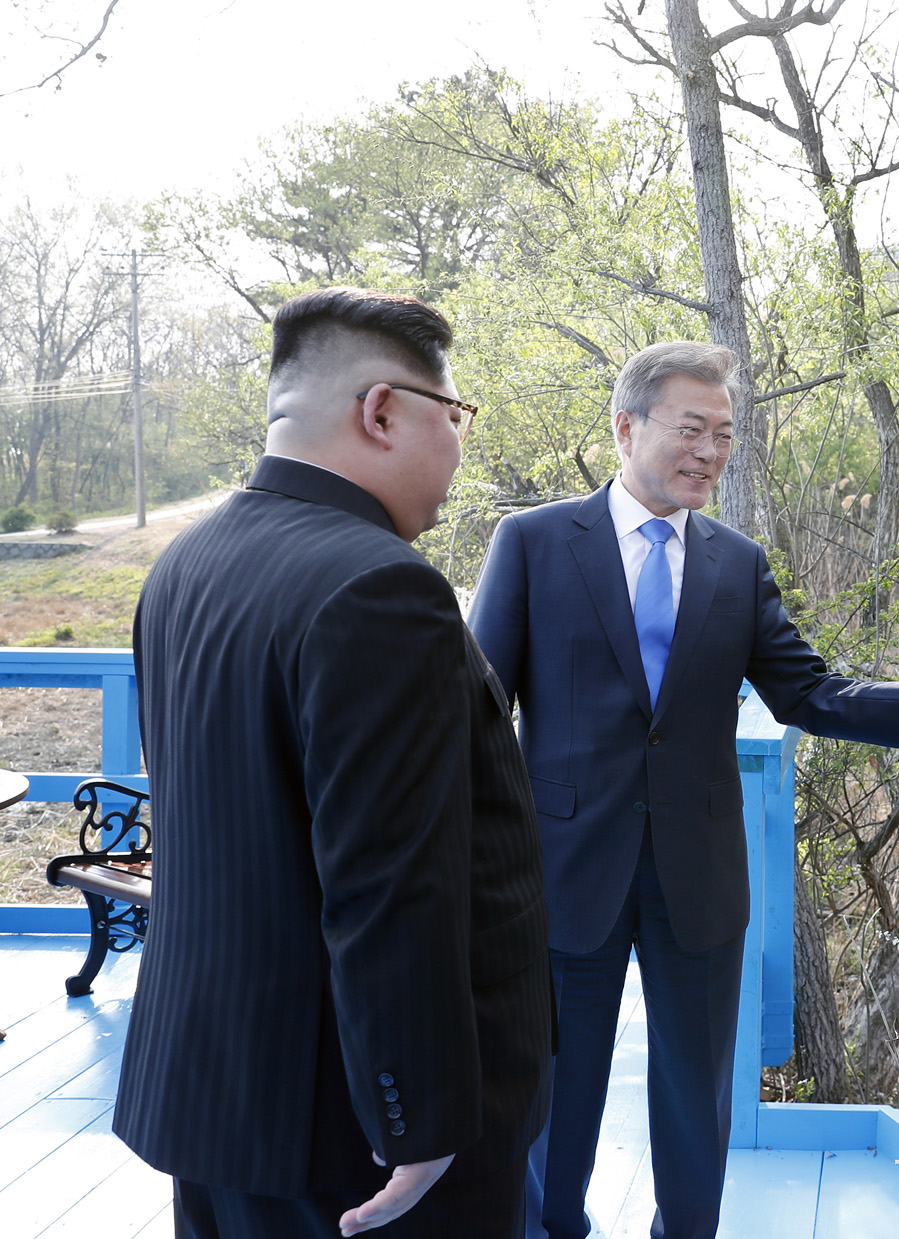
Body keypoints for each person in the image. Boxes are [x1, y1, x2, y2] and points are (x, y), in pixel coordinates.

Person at [468, 340, 899, 1239]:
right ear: (626, 427)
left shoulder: (736, 564)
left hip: (698, 875)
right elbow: (476, 711)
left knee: (696, 1098)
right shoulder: (536, 542)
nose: (711, 450)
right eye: (691, 428)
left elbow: (807, 691)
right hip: (563, 873)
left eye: (726, 434)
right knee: (554, 1090)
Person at [116, 287, 555, 1238]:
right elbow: (388, 882)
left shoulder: (184, 567)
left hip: (214, 1097)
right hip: (357, 1134)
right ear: (383, 410)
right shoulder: (381, 585)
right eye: (456, 415)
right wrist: (422, 1119)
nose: (458, 445)